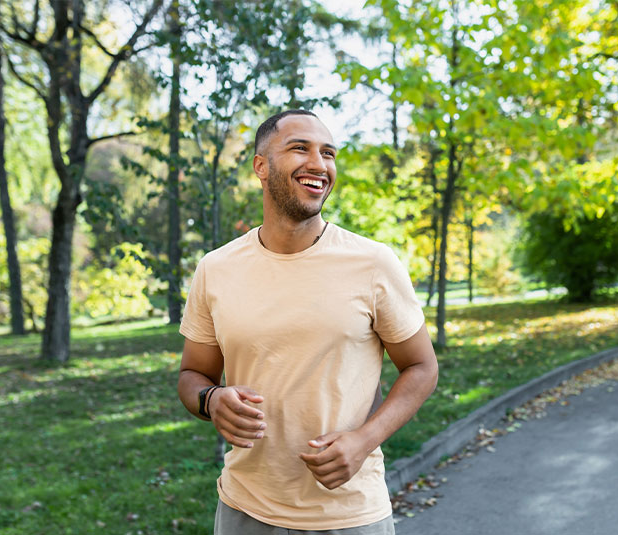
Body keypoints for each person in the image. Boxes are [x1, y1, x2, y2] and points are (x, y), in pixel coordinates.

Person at [177, 109, 439, 534]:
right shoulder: (216, 268)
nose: (319, 164)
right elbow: (193, 374)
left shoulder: (372, 262)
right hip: (244, 510)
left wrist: (363, 440)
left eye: (329, 153)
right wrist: (210, 400)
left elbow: (422, 367)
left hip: (350, 514)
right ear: (261, 166)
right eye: (300, 148)